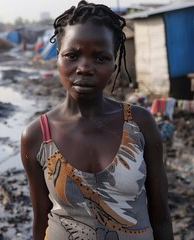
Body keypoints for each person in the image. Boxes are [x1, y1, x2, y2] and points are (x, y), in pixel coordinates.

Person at [20, 1, 173, 240]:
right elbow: (41, 221)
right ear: (58, 57)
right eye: (72, 55)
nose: (84, 68)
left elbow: (161, 216)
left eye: (100, 58)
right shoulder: (37, 135)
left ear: (114, 63)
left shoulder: (140, 124)